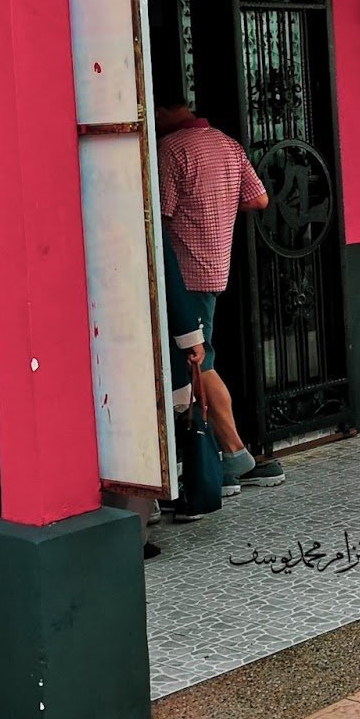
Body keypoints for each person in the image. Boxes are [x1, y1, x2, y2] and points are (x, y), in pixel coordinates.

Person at [156, 97, 284, 499]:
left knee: (200, 362)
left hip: (184, 274)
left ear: (162, 112)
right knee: (200, 359)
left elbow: (157, 215)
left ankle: (234, 455)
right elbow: (260, 198)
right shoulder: (226, 143)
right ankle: (220, 458)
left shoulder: (171, 150)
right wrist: (219, 206)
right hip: (215, 268)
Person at [104, 227, 208, 559]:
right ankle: (133, 534)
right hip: (142, 342)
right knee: (146, 439)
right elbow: (169, 281)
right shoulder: (140, 217)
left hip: (100, 343)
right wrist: (191, 338)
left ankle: (125, 523)